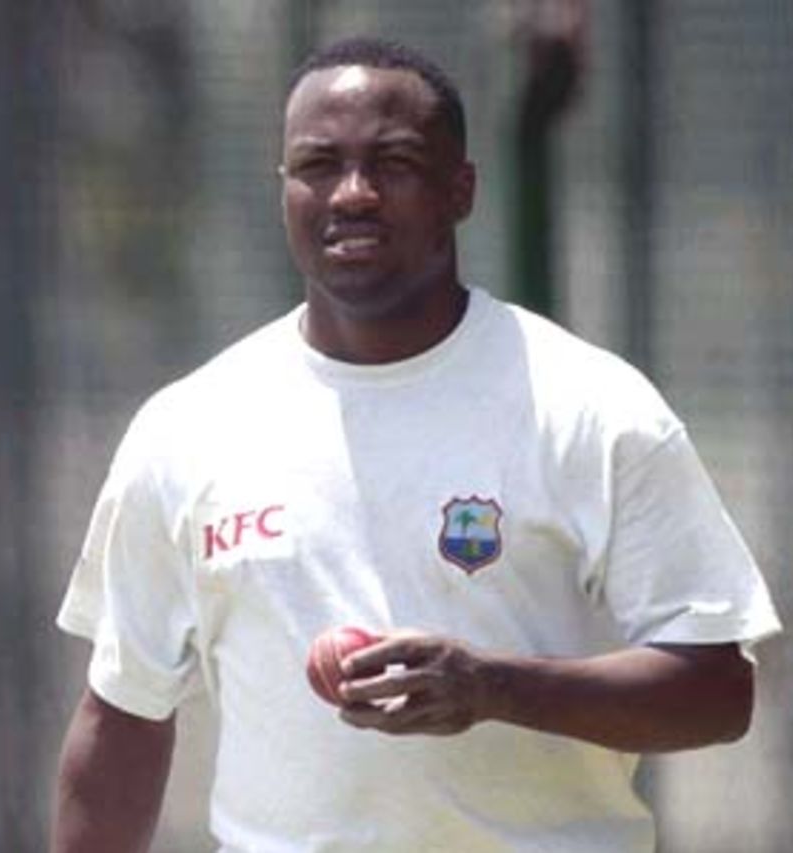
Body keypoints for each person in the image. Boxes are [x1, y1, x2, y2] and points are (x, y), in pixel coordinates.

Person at [51, 35, 782, 852]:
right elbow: (123, 715)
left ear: (459, 190)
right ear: (283, 189)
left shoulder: (591, 407)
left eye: (393, 164)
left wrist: (490, 687)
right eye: (318, 165)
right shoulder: (188, 429)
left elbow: (718, 690)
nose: (353, 193)